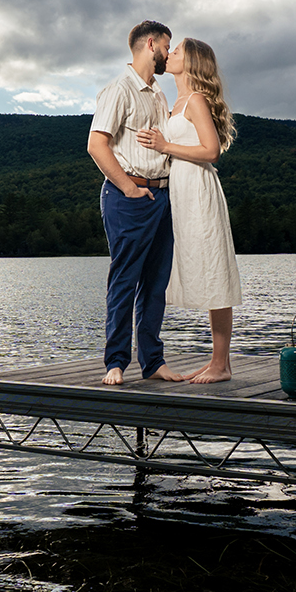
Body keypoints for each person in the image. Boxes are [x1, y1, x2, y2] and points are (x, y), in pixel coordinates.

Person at [137, 37, 241, 384]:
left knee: (214, 268)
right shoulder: (175, 101)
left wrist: (165, 144)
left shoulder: (195, 100)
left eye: (178, 50)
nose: (171, 53)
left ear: (192, 62)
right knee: (202, 268)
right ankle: (217, 361)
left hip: (198, 189)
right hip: (179, 191)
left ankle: (221, 364)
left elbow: (211, 151)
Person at [86, 20, 178, 386]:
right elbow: (96, 144)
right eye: (167, 47)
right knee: (125, 281)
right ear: (151, 44)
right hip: (129, 196)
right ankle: (116, 363)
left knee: (156, 284)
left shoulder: (157, 93)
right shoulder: (119, 89)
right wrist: (128, 188)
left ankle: (153, 362)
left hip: (161, 195)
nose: (169, 55)